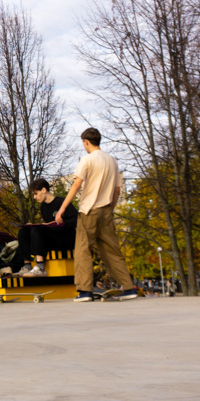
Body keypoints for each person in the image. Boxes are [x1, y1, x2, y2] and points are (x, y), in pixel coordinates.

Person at [55, 127, 138, 302]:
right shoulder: (112, 161)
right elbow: (116, 190)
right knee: (112, 251)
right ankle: (129, 287)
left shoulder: (87, 160)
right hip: (107, 210)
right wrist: (110, 209)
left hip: (89, 210)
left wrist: (62, 208)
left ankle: (85, 291)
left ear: (86, 141)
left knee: (83, 250)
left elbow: (76, 185)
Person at [16, 179, 77, 277]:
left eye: (36, 194)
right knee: (24, 231)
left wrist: (63, 223)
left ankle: (40, 267)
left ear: (44, 190)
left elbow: (76, 220)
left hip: (66, 239)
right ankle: (27, 266)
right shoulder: (43, 207)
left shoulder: (62, 202)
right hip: (53, 238)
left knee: (38, 229)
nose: (35, 197)